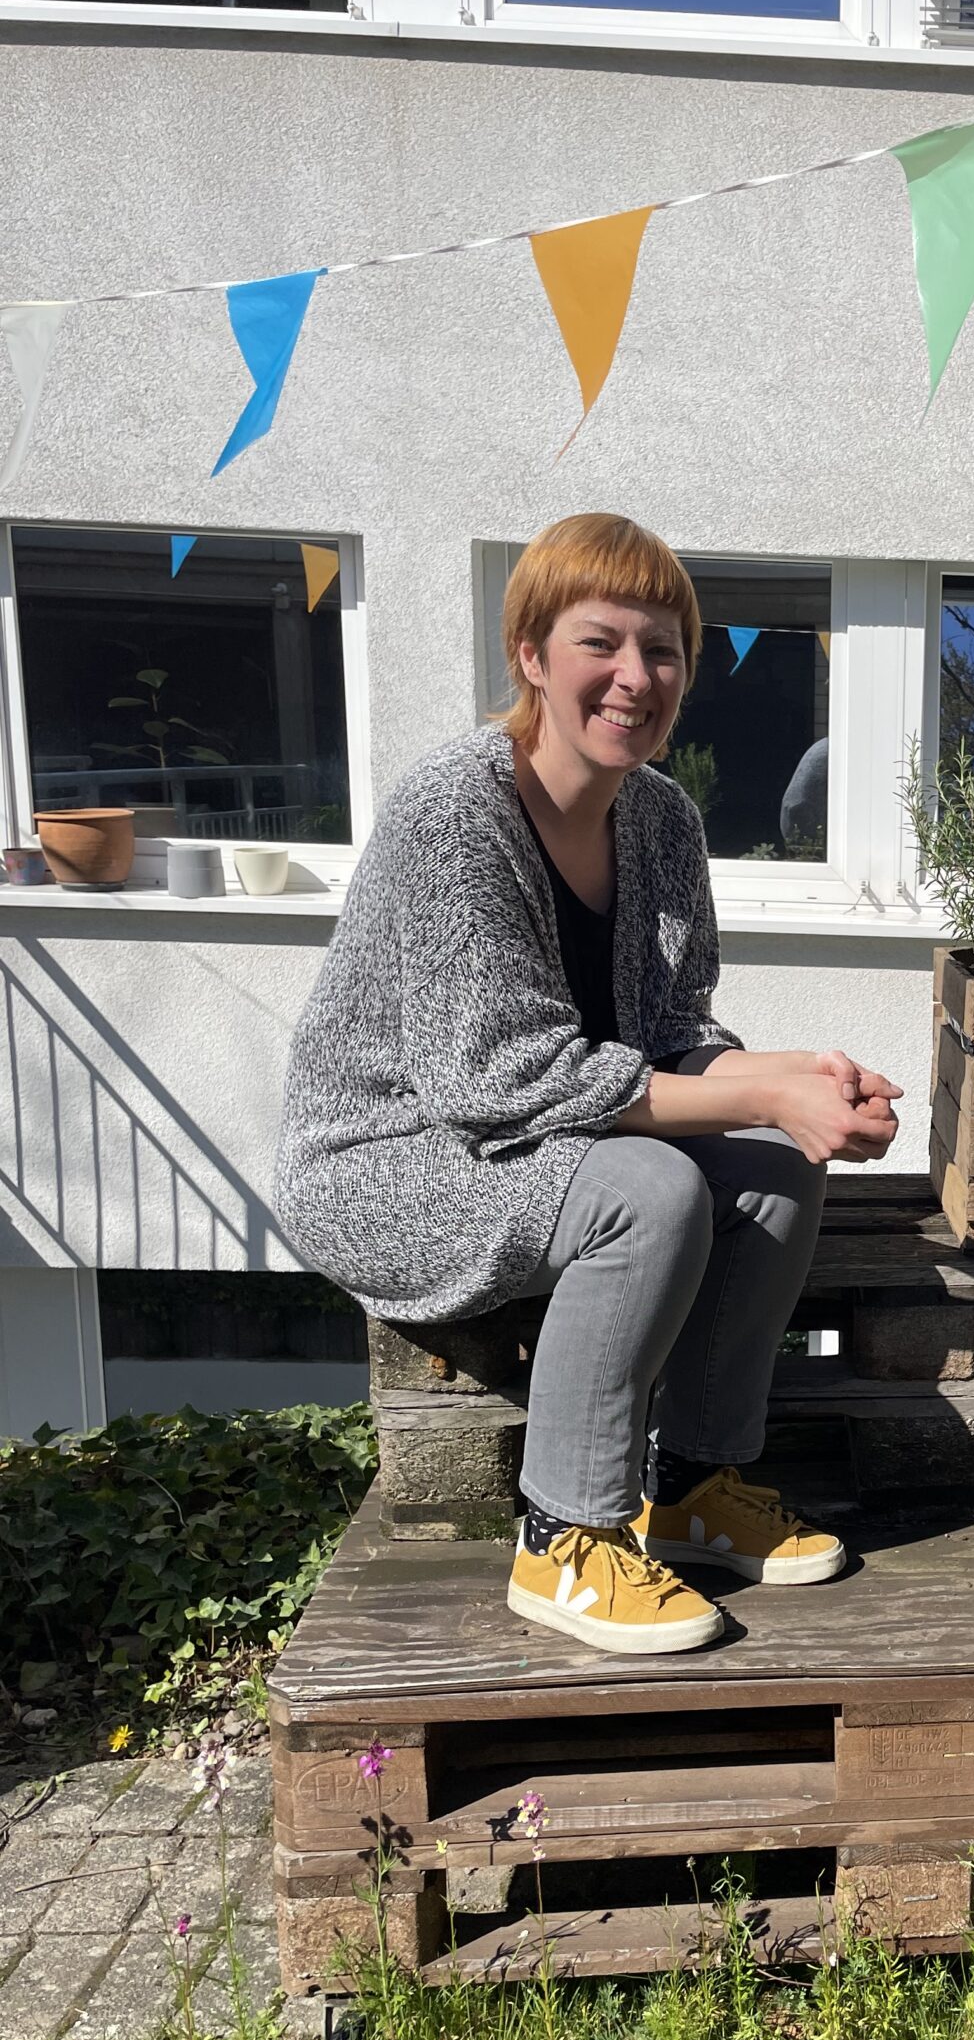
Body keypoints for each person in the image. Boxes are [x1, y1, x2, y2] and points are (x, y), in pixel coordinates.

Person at [276, 514, 902, 1656]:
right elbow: (497, 1081)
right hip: (394, 1154)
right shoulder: (454, 812)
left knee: (776, 1167)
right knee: (649, 1190)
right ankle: (564, 1537)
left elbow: (673, 1027)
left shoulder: (662, 817)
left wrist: (803, 1080)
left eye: (662, 650)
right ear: (531, 655)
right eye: (600, 643)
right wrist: (761, 1092)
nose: (635, 677)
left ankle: (696, 1485)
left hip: (532, 1133)